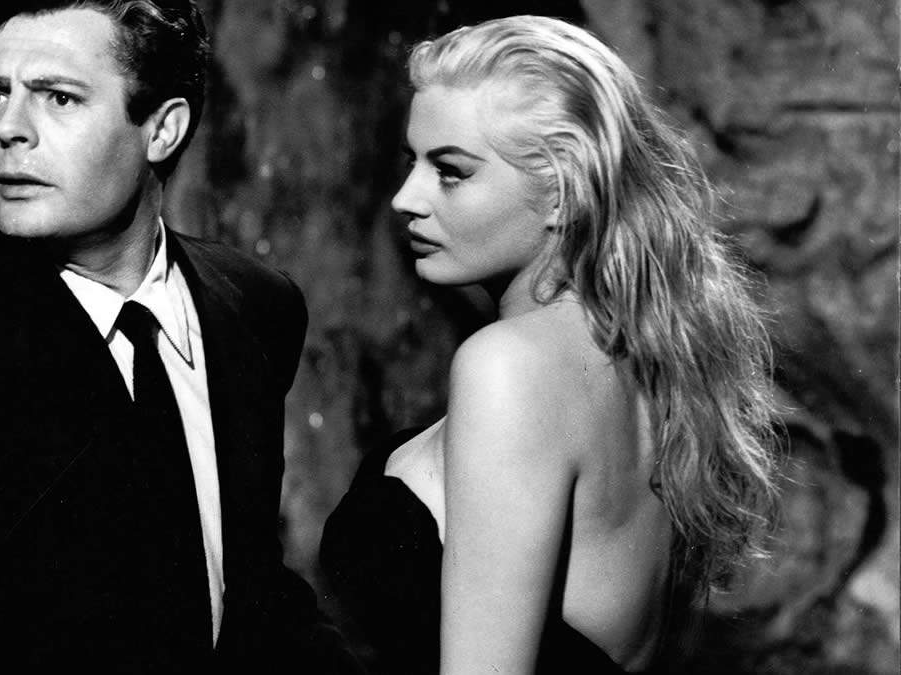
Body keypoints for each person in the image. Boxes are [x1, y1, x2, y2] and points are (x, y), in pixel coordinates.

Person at [0, 1, 360, 673]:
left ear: (163, 129)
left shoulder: (255, 306)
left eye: (59, 97)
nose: (9, 129)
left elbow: (249, 587)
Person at [321, 15, 780, 675]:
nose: (405, 198)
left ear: (563, 192)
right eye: (410, 162)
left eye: (450, 172)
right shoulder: (648, 358)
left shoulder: (508, 365)